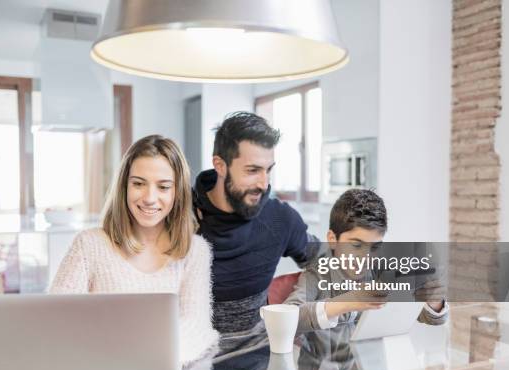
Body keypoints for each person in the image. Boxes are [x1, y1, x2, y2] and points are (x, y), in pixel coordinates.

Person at [50, 135, 219, 370]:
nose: (150, 198)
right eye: (138, 184)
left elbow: (195, 327)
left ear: (177, 193)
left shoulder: (195, 251)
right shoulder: (89, 244)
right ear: (124, 186)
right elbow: (54, 320)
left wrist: (137, 353)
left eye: (163, 186)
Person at [192, 112, 317, 353]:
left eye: (268, 170)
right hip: (193, 369)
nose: (263, 183)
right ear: (220, 165)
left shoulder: (279, 218)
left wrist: (294, 305)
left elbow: (327, 263)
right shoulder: (179, 219)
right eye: (252, 170)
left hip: (260, 368)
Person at [285, 188, 448, 333]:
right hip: (325, 363)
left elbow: (428, 317)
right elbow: (286, 318)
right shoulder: (317, 273)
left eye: (375, 247)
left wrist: (433, 301)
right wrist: (348, 301)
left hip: (370, 362)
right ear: (332, 239)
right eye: (356, 244)